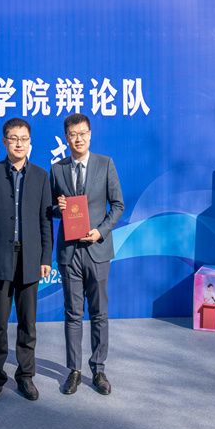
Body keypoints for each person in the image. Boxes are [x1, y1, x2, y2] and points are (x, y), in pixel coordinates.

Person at [0, 118, 53, 403]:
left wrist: (46, 257)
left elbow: (46, 222)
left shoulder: (41, 176)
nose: (19, 143)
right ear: (4, 141)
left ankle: (25, 376)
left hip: (31, 259)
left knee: (27, 324)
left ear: (30, 142)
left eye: (23, 138)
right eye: (13, 138)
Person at [50, 113, 124, 396]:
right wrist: (57, 207)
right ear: (66, 138)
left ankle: (99, 369)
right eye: (73, 134)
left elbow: (117, 205)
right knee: (72, 313)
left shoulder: (105, 164)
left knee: (99, 313)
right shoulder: (57, 169)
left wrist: (100, 232)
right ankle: (74, 371)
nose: (78, 139)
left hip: (97, 250)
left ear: (90, 135)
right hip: (69, 253)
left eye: (82, 133)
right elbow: (50, 209)